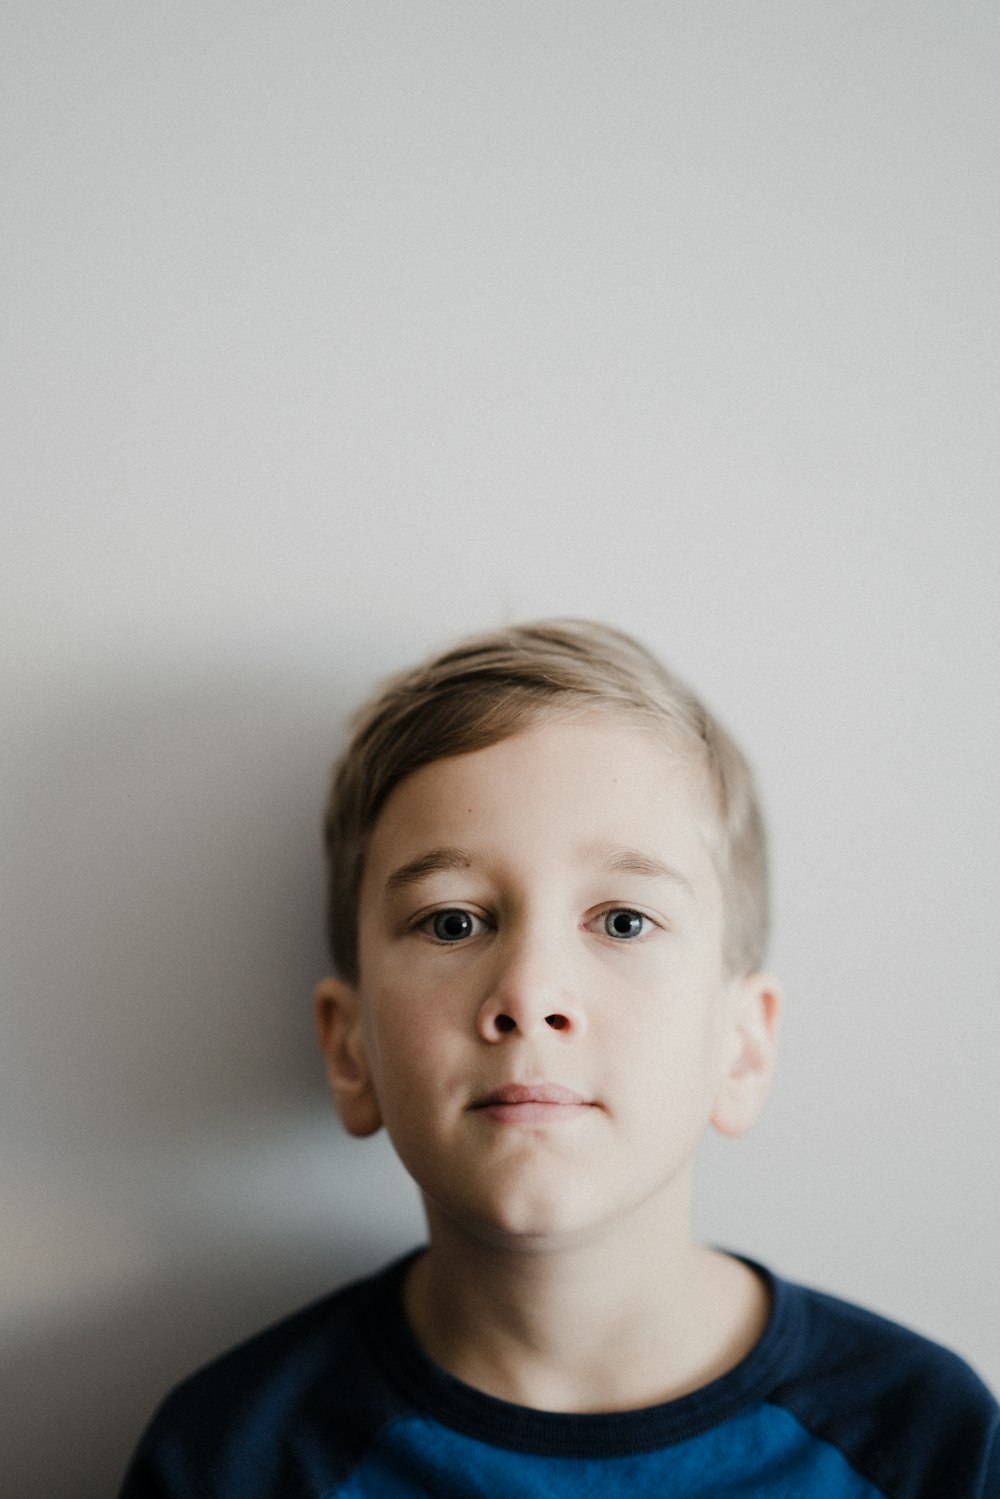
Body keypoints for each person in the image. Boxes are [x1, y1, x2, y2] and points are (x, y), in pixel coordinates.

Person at [120, 620, 999, 1497]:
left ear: (744, 1043)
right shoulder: (231, 1459)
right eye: (453, 921)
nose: (529, 994)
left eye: (623, 920)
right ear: (351, 1050)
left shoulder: (928, 1443)